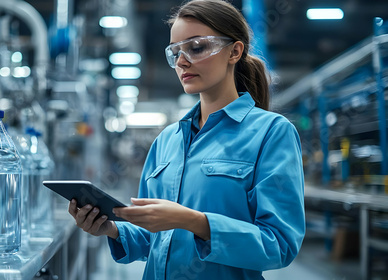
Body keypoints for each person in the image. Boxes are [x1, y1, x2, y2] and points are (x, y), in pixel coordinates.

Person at [68, 0, 306, 278]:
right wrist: (111, 228)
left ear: (234, 51)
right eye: (176, 52)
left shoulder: (272, 133)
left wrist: (194, 222)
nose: (182, 61)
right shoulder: (167, 140)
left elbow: (279, 245)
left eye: (196, 47)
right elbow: (154, 240)